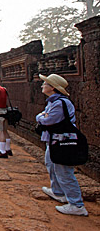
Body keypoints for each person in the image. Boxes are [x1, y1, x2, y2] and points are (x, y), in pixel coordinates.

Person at [36, 73, 88, 216]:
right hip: (53, 139)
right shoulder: (54, 102)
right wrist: (43, 116)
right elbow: (45, 117)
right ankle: (58, 191)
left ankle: (76, 204)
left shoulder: (60, 103)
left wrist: (40, 117)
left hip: (62, 141)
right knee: (51, 165)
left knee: (64, 172)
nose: (42, 85)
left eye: (45, 84)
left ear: (52, 88)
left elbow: (47, 120)